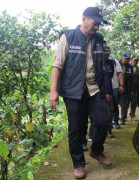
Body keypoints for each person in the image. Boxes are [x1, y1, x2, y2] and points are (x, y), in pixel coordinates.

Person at [49, 7, 111, 179]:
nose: (97, 27)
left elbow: (103, 67)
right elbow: (57, 64)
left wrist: (105, 89)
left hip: (93, 90)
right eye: (95, 23)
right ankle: (78, 164)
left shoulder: (99, 40)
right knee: (76, 129)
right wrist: (53, 90)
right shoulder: (68, 36)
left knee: (103, 121)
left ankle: (96, 151)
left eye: (99, 24)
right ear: (84, 19)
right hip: (73, 91)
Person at [119, 53, 133, 125]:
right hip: (118, 88)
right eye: (126, 58)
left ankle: (123, 118)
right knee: (121, 104)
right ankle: (119, 119)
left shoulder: (130, 67)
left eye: (128, 59)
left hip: (128, 89)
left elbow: (132, 79)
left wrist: (132, 90)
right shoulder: (117, 64)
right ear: (122, 58)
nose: (127, 60)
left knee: (126, 105)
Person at [129, 55, 139, 121]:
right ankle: (124, 117)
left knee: (134, 102)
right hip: (127, 88)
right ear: (131, 60)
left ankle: (132, 115)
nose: (136, 62)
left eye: (137, 60)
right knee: (125, 103)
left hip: (135, 88)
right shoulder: (127, 67)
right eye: (135, 60)